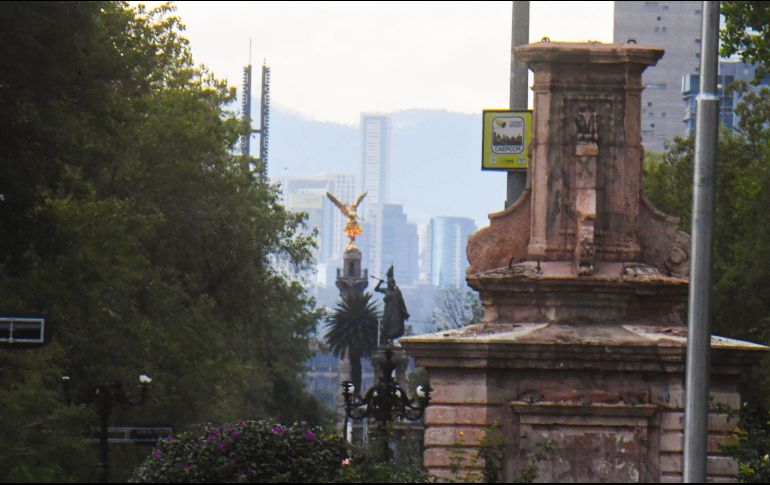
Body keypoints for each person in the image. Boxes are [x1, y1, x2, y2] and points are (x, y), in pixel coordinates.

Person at [375, 266, 409, 344]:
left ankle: (391, 340)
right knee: (386, 324)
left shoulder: (397, 292)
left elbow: (401, 302)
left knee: (395, 325)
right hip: (387, 311)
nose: (391, 284)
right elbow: (376, 289)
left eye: (393, 283)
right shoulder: (386, 290)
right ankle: (387, 340)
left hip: (395, 312)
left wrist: (404, 312)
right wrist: (380, 282)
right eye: (390, 283)